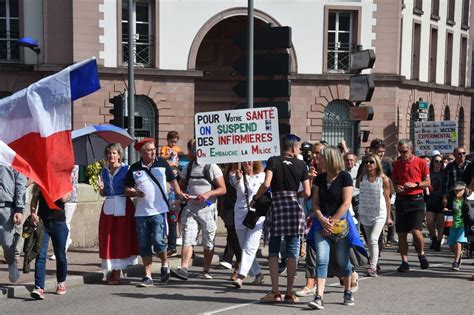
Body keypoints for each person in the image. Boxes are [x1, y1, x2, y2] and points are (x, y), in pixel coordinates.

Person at [251, 134, 311, 304]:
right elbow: (307, 193)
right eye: (298, 147)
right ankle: (290, 292)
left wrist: (255, 199)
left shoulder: (273, 160)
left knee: (273, 250)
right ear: (293, 148)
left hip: (277, 206)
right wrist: (295, 194)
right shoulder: (301, 164)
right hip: (294, 208)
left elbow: (267, 184)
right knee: (292, 249)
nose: (298, 150)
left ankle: (275, 291)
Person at [125, 138, 187, 286]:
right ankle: (148, 276)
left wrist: (179, 194)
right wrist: (134, 193)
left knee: (159, 241)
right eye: (149, 150)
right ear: (141, 152)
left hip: (159, 210)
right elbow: (126, 189)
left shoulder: (162, 163)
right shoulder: (134, 168)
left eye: (154, 149)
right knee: (144, 244)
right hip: (141, 213)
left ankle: (165, 263)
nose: (153, 152)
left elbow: (173, 182)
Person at [308, 146, 360, 309]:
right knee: (322, 259)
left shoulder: (345, 177)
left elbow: (346, 203)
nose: (318, 160)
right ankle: (319, 297)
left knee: (343, 261)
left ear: (329, 159)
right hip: (321, 224)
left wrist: (331, 222)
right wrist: (322, 219)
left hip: (340, 225)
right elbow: (314, 203)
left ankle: (347, 291)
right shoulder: (320, 178)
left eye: (321, 158)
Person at [171, 139, 226, 280]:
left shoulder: (212, 167)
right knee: (187, 239)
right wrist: (181, 196)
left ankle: (206, 270)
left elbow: (222, 189)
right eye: (192, 149)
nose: (191, 152)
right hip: (191, 208)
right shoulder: (188, 167)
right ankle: (184, 268)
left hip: (207, 209)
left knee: (208, 242)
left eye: (194, 150)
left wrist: (208, 193)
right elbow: (182, 185)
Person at [98, 143, 139, 285]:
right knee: (109, 239)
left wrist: (135, 191)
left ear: (119, 155)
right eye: (109, 153)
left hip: (123, 206)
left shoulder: (127, 169)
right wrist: (101, 189)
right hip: (108, 207)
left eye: (114, 153)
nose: (111, 156)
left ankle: (117, 271)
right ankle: (112, 268)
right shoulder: (103, 171)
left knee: (121, 238)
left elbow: (134, 187)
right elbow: (104, 193)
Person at [392, 139, 431, 272]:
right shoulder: (396, 164)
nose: (402, 154)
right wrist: (397, 186)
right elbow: (395, 180)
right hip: (402, 200)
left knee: (416, 232)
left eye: (405, 151)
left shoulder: (421, 162)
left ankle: (421, 254)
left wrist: (416, 184)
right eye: (400, 151)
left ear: (411, 149)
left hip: (417, 200)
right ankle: (405, 261)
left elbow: (427, 182)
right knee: (401, 233)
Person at [30, 184, 71, 300]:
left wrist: (55, 187)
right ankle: (39, 287)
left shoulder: (63, 181)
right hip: (43, 224)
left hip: (59, 224)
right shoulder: (40, 182)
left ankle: (61, 282)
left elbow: (64, 198)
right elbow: (34, 199)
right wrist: (33, 212)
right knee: (40, 255)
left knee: (60, 255)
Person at [230, 161, 265, 288]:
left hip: (257, 215)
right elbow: (233, 184)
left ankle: (240, 276)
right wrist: (238, 178)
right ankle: (257, 273)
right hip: (240, 214)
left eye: (249, 160)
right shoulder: (235, 176)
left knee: (250, 246)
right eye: (244, 160)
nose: (246, 163)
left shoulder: (262, 176)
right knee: (244, 246)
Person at [357, 153, 392, 277]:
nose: (368, 164)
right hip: (366, 213)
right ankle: (374, 261)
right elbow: (358, 188)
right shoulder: (363, 177)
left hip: (379, 213)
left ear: (377, 163)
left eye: (371, 162)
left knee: (373, 239)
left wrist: (389, 216)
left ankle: (372, 267)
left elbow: (387, 198)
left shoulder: (384, 179)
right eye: (366, 162)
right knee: (370, 242)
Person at [0, 165, 27, 283]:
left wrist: (19, 209)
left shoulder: (13, 157)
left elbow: (21, 184)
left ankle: (11, 263)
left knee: (7, 244)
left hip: (7, 207)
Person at [218, 163, 242, 280]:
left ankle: (239, 266)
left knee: (239, 238)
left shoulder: (243, 170)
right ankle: (239, 263)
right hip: (227, 208)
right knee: (232, 236)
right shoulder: (225, 170)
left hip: (241, 208)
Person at [50, 165, 79, 261]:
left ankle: (62, 250)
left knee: (65, 223)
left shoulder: (72, 164)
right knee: (64, 223)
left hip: (69, 198)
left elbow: (68, 179)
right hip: (59, 198)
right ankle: (65, 244)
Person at [443, 181, 469, 271]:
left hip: (463, 225)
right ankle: (459, 254)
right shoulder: (451, 198)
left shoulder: (468, 199)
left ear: (464, 190)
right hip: (452, 224)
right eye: (455, 190)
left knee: (458, 243)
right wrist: (446, 209)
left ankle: (456, 262)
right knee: (451, 245)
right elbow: (448, 208)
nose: (457, 192)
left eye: (459, 190)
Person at [426, 154, 446, 251]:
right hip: (431, 199)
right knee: (429, 222)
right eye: (436, 161)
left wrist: (445, 197)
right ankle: (433, 238)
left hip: (441, 199)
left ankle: (438, 242)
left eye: (440, 161)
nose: (438, 163)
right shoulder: (429, 173)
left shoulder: (444, 173)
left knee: (441, 224)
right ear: (432, 162)